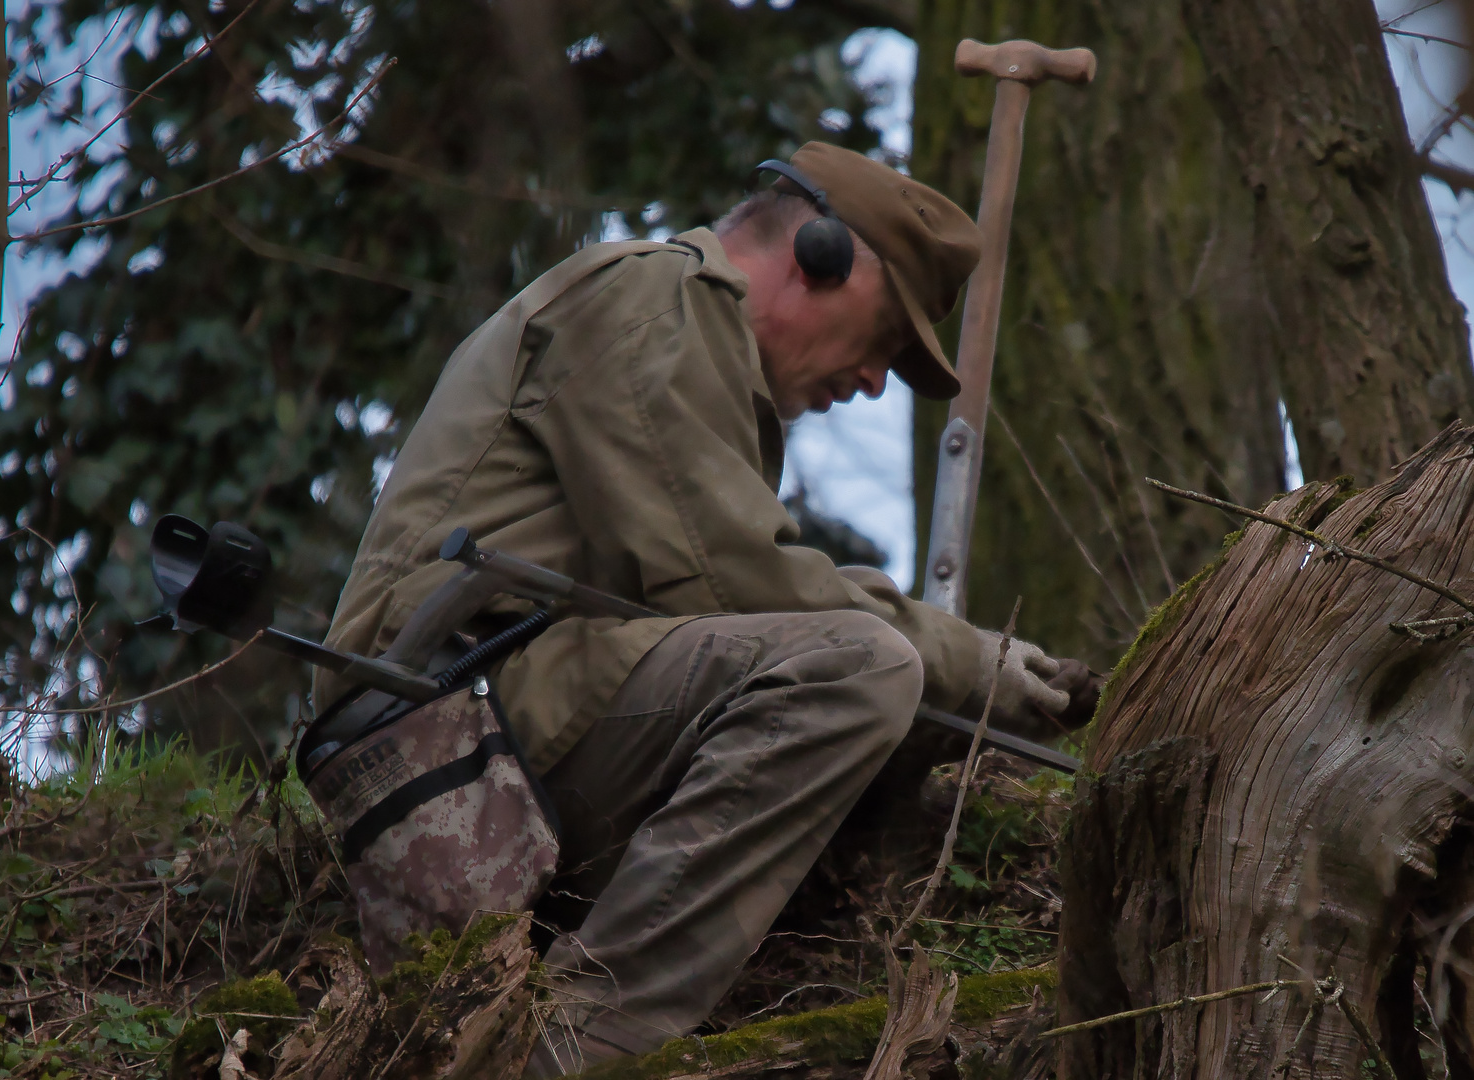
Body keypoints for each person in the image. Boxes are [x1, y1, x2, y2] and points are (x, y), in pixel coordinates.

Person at [317, 142, 1096, 1074]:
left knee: (867, 667)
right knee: (860, 668)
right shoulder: (651, 296)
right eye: (887, 335)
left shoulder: (693, 349)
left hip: (508, 722)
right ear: (821, 255)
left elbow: (740, 587)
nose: (876, 381)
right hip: (449, 723)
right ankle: (571, 1047)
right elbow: (733, 579)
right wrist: (968, 662)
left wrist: (967, 663)